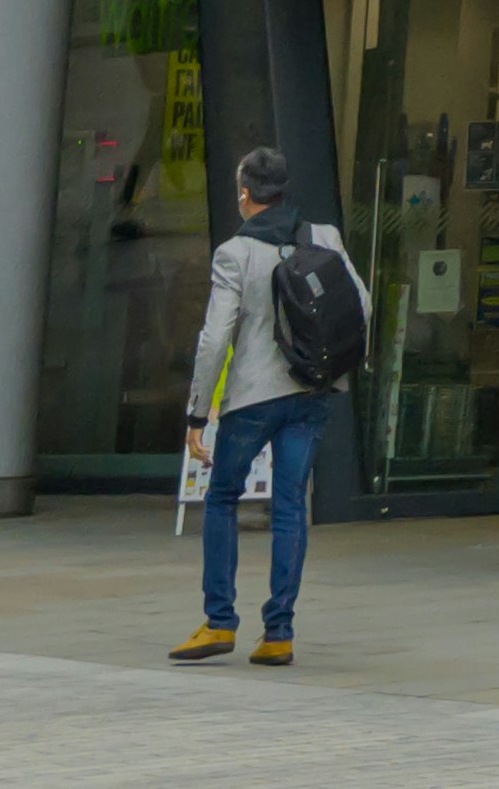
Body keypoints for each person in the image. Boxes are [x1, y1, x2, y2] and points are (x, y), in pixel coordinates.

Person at [174, 147, 361, 666]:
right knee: (290, 506)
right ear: (281, 189)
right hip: (311, 392)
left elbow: (215, 338)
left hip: (253, 398)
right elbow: (360, 305)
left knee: (222, 498)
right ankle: (279, 633)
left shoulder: (234, 253)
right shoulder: (323, 237)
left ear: (244, 193)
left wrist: (197, 412)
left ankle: (219, 622)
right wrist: (334, 370)